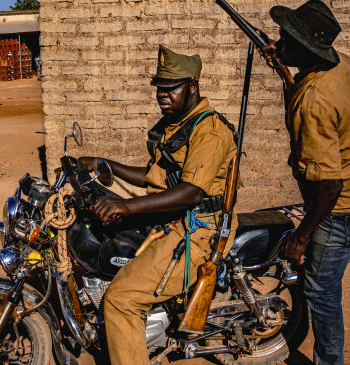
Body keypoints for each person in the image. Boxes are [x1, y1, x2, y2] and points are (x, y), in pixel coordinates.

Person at [79, 45, 239, 365]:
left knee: (121, 298)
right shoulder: (178, 123)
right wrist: (104, 163)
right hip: (176, 221)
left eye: (170, 88)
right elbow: (155, 177)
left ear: (192, 87)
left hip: (200, 230)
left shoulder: (209, 129)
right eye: (158, 89)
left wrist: (127, 206)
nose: (161, 95)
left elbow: (191, 192)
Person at [257, 0, 350, 365]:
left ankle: (330, 361)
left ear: (307, 50)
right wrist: (283, 62)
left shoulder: (315, 101)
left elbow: (328, 186)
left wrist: (301, 237)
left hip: (342, 202)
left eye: (285, 41)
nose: (279, 44)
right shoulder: (340, 62)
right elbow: (306, 90)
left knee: (320, 289)